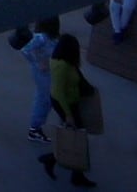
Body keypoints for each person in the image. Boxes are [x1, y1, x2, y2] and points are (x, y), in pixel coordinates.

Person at [39, 34, 96, 187]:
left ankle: (53, 159)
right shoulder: (62, 66)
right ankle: (74, 173)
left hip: (68, 102)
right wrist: (68, 115)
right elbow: (59, 93)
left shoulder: (60, 61)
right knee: (77, 137)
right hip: (65, 104)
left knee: (74, 135)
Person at [13, 19, 57, 141]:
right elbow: (24, 49)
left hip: (47, 72)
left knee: (45, 97)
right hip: (43, 73)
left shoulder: (47, 37)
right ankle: (35, 129)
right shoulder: (41, 37)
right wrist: (38, 62)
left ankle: (36, 127)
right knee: (45, 99)